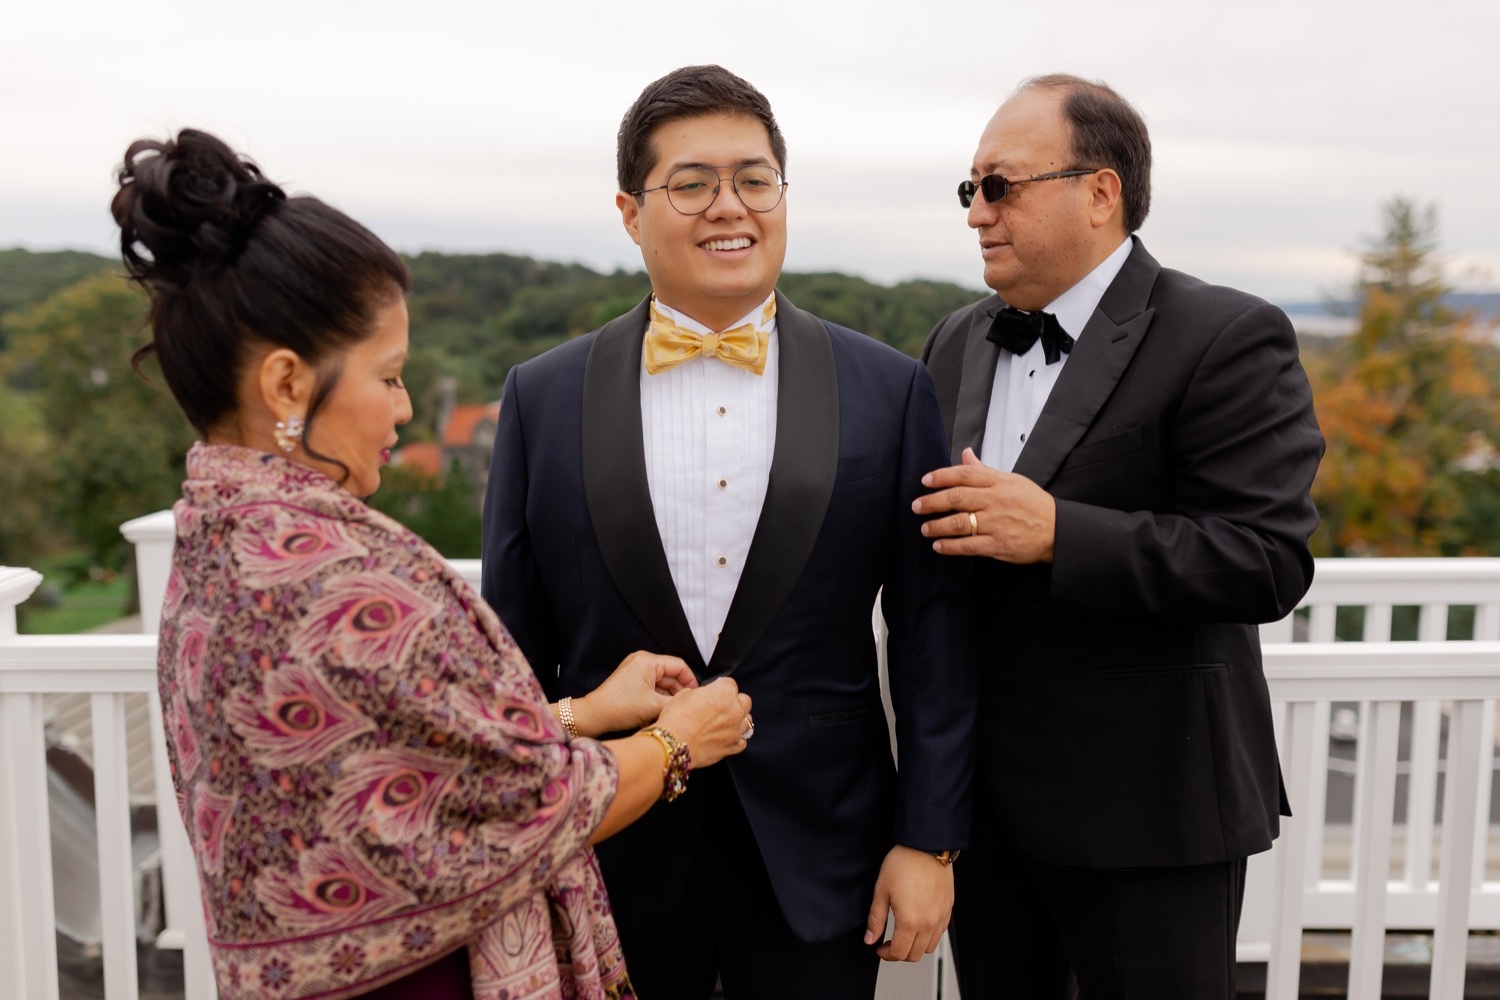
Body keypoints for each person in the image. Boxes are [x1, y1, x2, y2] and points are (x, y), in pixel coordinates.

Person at [113, 128, 753, 1000]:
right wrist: (679, 743)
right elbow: (526, 807)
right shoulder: (342, 575)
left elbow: (397, 759)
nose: (406, 409)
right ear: (288, 385)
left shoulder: (219, 541)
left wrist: (584, 709)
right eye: (389, 376)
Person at [481, 65, 975, 999]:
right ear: (631, 213)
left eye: (754, 179)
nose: (729, 207)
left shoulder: (890, 387)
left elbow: (931, 631)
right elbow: (512, 645)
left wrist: (930, 838)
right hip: (608, 848)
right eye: (692, 183)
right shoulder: (539, 398)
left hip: (823, 846)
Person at [915, 74, 1325, 998]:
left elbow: (1265, 559)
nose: (977, 211)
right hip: (985, 821)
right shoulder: (955, 339)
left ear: (1100, 193)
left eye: (1000, 185)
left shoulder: (1226, 334)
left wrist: (1062, 533)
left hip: (1154, 819)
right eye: (969, 189)